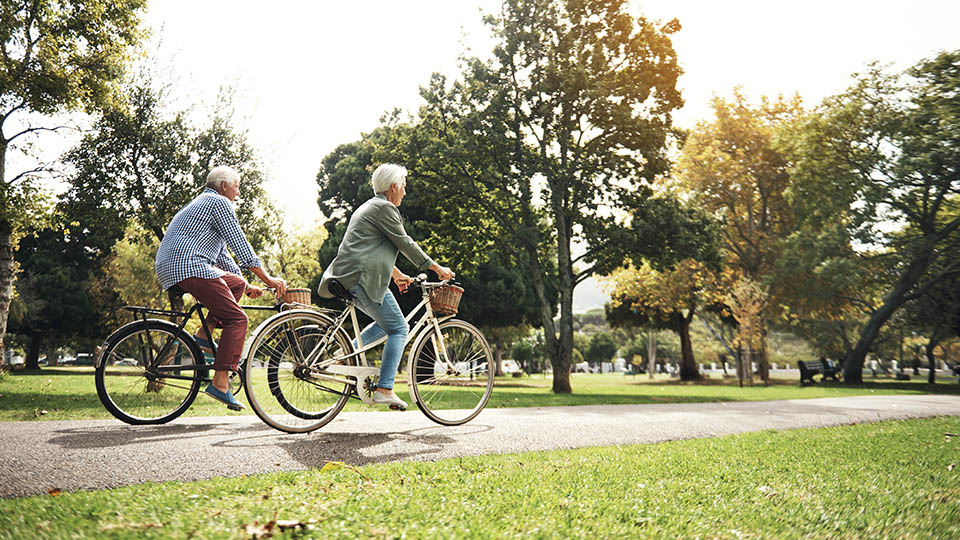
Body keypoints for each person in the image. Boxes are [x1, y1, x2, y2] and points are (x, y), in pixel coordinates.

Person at [318, 163, 454, 410]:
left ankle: (343, 355)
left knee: (385, 324)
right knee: (400, 328)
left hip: (352, 275)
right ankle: (385, 388)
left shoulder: (369, 207)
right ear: (393, 186)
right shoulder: (385, 208)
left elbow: (371, 247)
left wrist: (398, 274)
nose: (404, 192)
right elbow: (405, 242)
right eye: (403, 186)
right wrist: (436, 268)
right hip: (361, 277)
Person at [155, 165, 287, 410]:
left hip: (175, 264)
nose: (238, 193)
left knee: (235, 284)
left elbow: (223, 254)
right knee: (238, 320)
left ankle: (204, 338)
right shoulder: (219, 204)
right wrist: (269, 280)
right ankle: (220, 383)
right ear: (224, 186)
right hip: (189, 265)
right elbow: (241, 245)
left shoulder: (203, 204)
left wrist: (246, 285)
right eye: (237, 187)